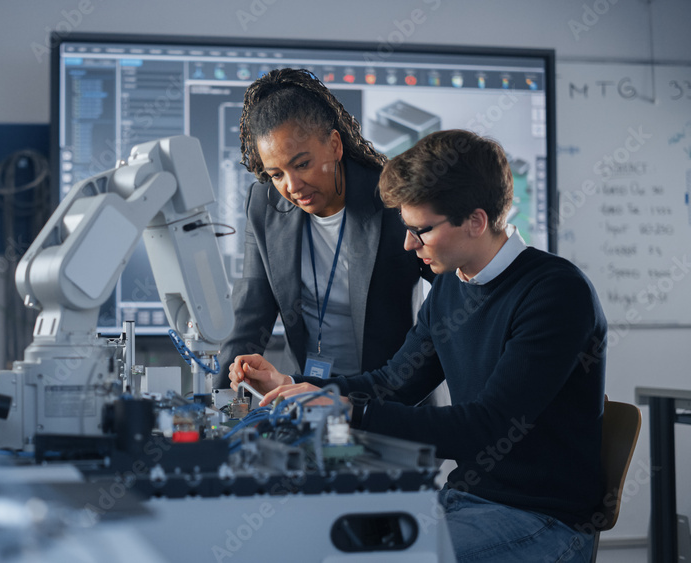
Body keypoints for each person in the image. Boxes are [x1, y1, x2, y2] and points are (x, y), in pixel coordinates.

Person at [230, 129, 607, 562]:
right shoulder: (450, 285)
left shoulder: (555, 294)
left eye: (420, 231)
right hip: (465, 500)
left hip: (542, 520)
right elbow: (395, 382)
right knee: (314, 544)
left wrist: (353, 411)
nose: (409, 244)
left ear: (476, 221)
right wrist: (298, 387)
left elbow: (487, 427)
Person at [219, 68, 431, 389]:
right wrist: (220, 397)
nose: (292, 186)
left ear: (334, 145)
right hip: (305, 390)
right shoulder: (264, 205)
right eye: (276, 174)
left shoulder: (392, 199)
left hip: (391, 395)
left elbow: (452, 295)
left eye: (302, 164)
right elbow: (250, 314)